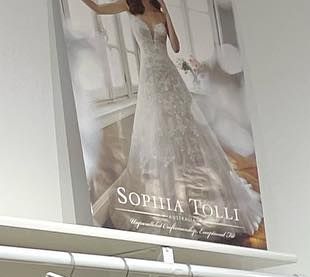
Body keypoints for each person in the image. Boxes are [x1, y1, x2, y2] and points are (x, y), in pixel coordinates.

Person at [80, 0, 263, 241]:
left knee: (187, 130)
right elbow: (98, 9)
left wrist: (166, 12)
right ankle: (166, 197)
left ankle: (198, 194)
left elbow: (175, 47)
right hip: (151, 78)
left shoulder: (159, 11)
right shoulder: (128, 5)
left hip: (169, 75)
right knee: (157, 129)